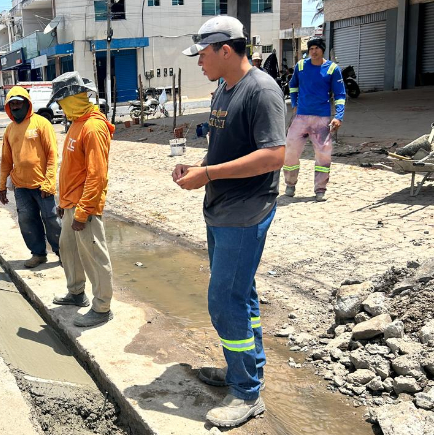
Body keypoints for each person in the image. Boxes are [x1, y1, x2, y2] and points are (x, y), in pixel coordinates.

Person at [175, 16, 286, 427]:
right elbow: (224, 148)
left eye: (202, 55)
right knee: (242, 296)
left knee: (224, 301)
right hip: (220, 207)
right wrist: (199, 166)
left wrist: (208, 175)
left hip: (246, 211)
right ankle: (243, 371)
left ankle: (246, 393)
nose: (198, 63)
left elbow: (275, 155)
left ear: (226, 50)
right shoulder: (224, 89)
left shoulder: (262, 91)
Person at [47, 72, 115, 328]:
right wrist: (63, 202)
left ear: (72, 99)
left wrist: (83, 211)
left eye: (62, 103)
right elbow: (72, 170)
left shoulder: (94, 127)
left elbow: (97, 175)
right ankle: (76, 293)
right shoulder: (76, 123)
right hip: (69, 204)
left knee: (94, 257)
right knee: (69, 250)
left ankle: (102, 307)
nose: (61, 108)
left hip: (84, 206)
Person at [0, 86, 61, 268]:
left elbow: (52, 154)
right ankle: (38, 253)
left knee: (52, 220)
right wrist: (2, 186)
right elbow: (5, 161)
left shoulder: (41, 124)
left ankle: (62, 253)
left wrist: (49, 182)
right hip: (20, 186)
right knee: (27, 220)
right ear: (8, 107)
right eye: (13, 104)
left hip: (42, 184)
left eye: (19, 103)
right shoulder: (9, 130)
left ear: (27, 103)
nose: (16, 106)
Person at [283, 36, 346, 202]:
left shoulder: (332, 69)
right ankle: (290, 184)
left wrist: (338, 116)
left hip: (321, 119)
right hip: (300, 118)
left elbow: (340, 94)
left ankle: (320, 189)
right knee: (290, 151)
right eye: (311, 48)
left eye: (316, 48)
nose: (313, 51)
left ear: (322, 49)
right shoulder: (301, 66)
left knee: (323, 154)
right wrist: (295, 103)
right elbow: (293, 85)